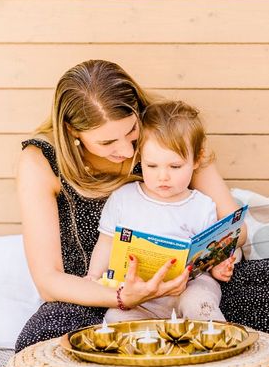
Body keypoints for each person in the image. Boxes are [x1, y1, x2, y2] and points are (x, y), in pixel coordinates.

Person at [14, 60, 269, 352]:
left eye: (131, 132)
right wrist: (123, 296)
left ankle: (182, 342)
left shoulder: (170, 132)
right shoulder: (40, 161)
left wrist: (219, 256)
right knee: (39, 341)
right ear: (73, 132)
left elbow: (232, 225)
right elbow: (48, 281)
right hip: (99, 298)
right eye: (108, 142)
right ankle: (190, 345)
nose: (127, 151)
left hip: (191, 286)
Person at [86, 100, 230, 323]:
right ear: (140, 158)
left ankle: (216, 346)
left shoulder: (202, 206)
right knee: (115, 318)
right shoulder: (124, 198)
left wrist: (219, 266)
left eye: (175, 167)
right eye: (152, 166)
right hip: (140, 294)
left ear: (196, 160)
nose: (163, 176)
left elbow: (211, 251)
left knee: (199, 304)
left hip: (187, 288)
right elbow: (106, 242)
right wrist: (93, 277)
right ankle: (143, 354)